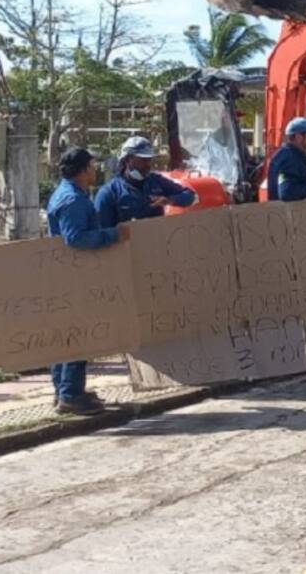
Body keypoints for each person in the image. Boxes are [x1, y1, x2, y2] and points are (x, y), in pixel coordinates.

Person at [45, 147, 129, 416]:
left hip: (66, 276)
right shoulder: (72, 200)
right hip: (73, 277)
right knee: (76, 335)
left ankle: (66, 391)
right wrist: (113, 235)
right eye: (92, 166)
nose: (95, 171)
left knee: (67, 336)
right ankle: (69, 394)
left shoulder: (71, 194)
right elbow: (76, 239)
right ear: (82, 170)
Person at [96, 135, 196, 227]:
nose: (148, 164)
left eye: (149, 159)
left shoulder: (156, 181)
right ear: (127, 160)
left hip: (156, 242)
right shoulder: (109, 192)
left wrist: (170, 200)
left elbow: (191, 196)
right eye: (143, 160)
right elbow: (103, 230)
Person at [267, 117, 306, 201]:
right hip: (285, 213)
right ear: (298, 137)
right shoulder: (289, 158)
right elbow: (286, 193)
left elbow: (293, 178)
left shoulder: (288, 154)